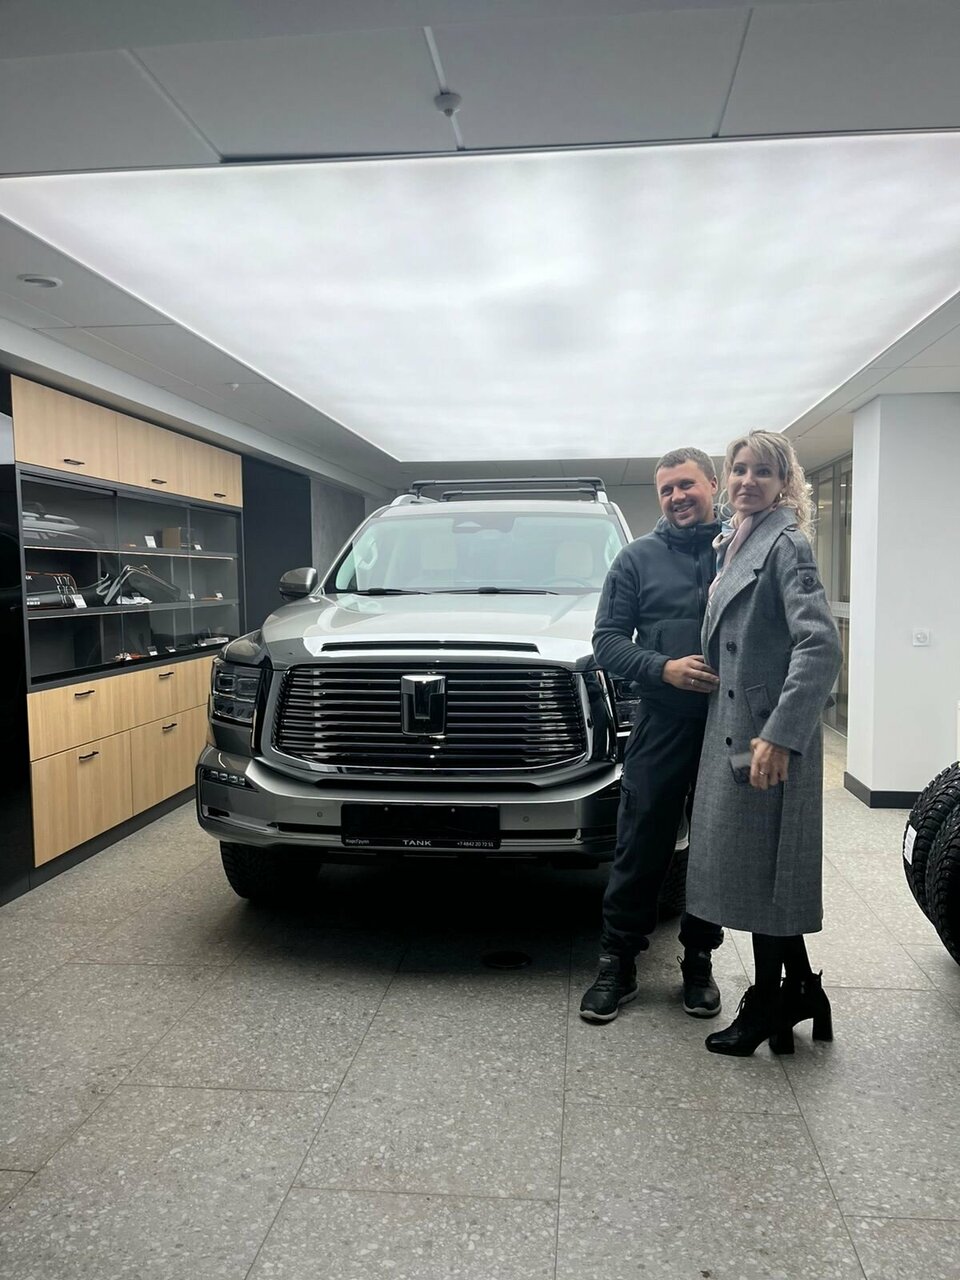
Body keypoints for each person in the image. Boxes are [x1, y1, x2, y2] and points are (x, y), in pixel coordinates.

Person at [685, 430, 842, 1056]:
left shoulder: (785, 543)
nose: (748, 481)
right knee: (756, 871)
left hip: (764, 741)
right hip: (735, 732)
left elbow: (820, 645)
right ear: (728, 479)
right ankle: (802, 991)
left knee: (764, 873)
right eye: (740, 470)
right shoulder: (739, 540)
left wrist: (778, 736)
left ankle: (769, 1003)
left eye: (763, 472)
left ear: (784, 484)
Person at [580, 447, 725, 1024]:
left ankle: (699, 961)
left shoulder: (740, 550)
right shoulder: (636, 559)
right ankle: (617, 962)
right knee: (641, 842)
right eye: (666, 489)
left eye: (687, 484)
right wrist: (662, 668)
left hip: (727, 726)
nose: (677, 497)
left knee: (712, 845)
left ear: (712, 483)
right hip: (662, 721)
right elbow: (607, 641)